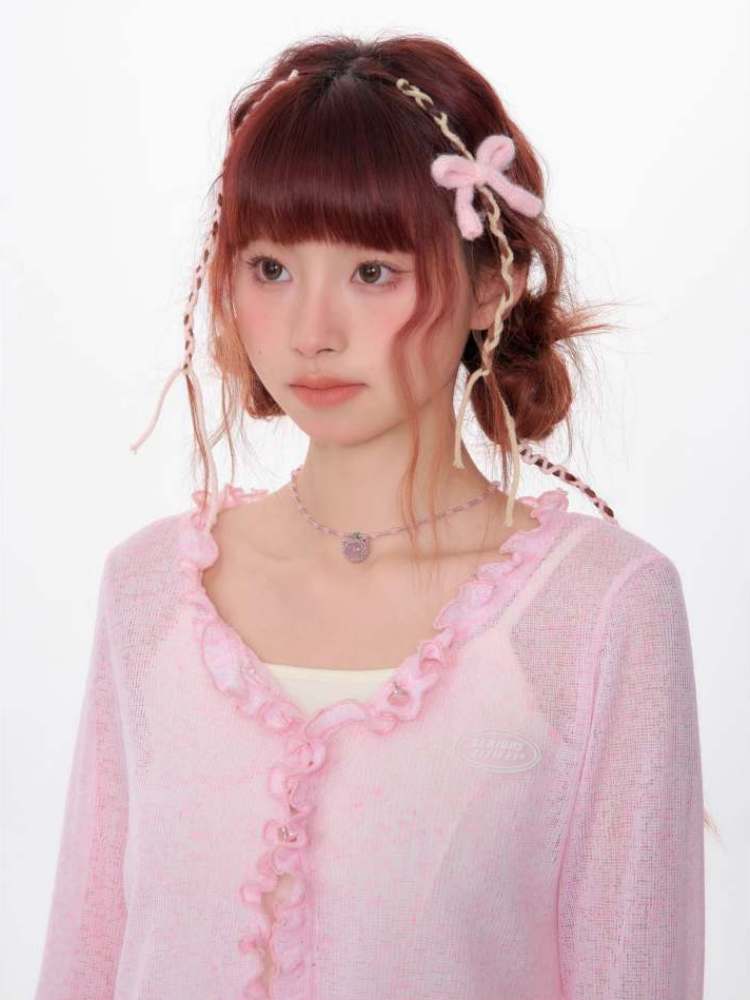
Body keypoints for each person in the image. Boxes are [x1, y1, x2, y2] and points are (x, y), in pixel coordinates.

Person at [33, 31, 708, 1000]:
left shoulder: (600, 608)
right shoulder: (148, 593)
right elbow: (85, 957)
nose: (312, 332)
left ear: (490, 285)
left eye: (373, 272)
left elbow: (634, 968)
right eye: (271, 269)